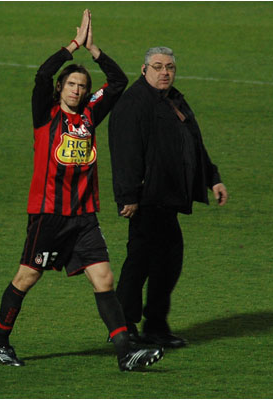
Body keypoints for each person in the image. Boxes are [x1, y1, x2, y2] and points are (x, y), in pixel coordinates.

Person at [0, 10, 164, 371]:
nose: (78, 90)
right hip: (48, 215)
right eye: (72, 85)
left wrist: (94, 49)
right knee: (27, 277)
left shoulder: (89, 115)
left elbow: (117, 81)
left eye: (83, 86)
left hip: (83, 216)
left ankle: (125, 353)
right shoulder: (45, 114)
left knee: (104, 278)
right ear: (61, 88)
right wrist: (72, 46)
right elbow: (41, 74)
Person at [108, 46, 228, 348]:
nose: (165, 72)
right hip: (146, 199)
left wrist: (212, 178)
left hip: (168, 197)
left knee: (167, 262)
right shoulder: (133, 104)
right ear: (144, 69)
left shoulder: (174, 99)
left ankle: (155, 327)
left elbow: (193, 142)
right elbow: (124, 155)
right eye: (159, 66)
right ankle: (125, 328)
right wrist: (128, 197)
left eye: (170, 67)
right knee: (140, 262)